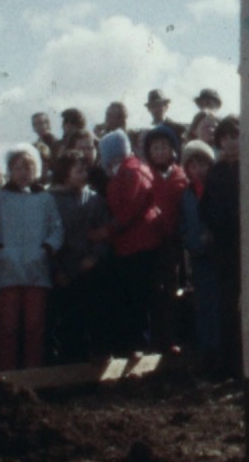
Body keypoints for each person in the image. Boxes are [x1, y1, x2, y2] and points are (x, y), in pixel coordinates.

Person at [0, 144, 64, 371]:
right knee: (8, 327)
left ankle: (32, 375)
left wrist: (46, 250)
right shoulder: (0, 198)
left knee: (34, 326)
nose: (23, 172)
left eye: (28, 167)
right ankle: (6, 375)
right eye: (18, 168)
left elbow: (56, 228)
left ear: (36, 169)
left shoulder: (45, 199)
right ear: (10, 170)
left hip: (36, 270)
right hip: (9, 269)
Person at [91, 130, 162, 357]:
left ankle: (138, 346)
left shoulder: (131, 172)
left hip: (136, 244)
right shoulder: (129, 170)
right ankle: (133, 345)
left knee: (137, 298)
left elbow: (130, 208)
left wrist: (106, 231)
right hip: (131, 243)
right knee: (134, 298)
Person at [47, 151, 110, 364]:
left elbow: (104, 231)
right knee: (66, 323)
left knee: (90, 317)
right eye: (78, 170)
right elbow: (46, 235)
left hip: (89, 267)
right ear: (65, 174)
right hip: (63, 270)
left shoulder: (94, 199)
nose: (84, 174)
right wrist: (56, 270)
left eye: (85, 170)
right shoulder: (50, 199)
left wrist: (95, 256)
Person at [199, 116, 243, 378]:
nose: (229, 142)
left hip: (247, 244)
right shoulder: (215, 171)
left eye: (234, 136)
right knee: (226, 305)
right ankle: (229, 363)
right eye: (224, 138)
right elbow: (205, 207)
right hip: (223, 247)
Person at [143, 125, 188, 353]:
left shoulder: (181, 175)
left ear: (173, 150)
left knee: (172, 289)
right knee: (153, 290)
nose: (160, 151)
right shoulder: (145, 175)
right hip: (151, 241)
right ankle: (153, 341)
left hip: (175, 241)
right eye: (155, 147)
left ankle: (170, 338)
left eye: (164, 146)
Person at [178, 140, 220, 374]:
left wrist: (212, 236)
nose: (198, 169)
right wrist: (190, 241)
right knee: (203, 305)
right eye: (192, 165)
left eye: (202, 163)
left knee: (219, 305)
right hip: (198, 257)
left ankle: (221, 352)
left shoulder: (218, 187)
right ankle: (207, 354)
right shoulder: (186, 195)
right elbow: (183, 224)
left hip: (217, 255)